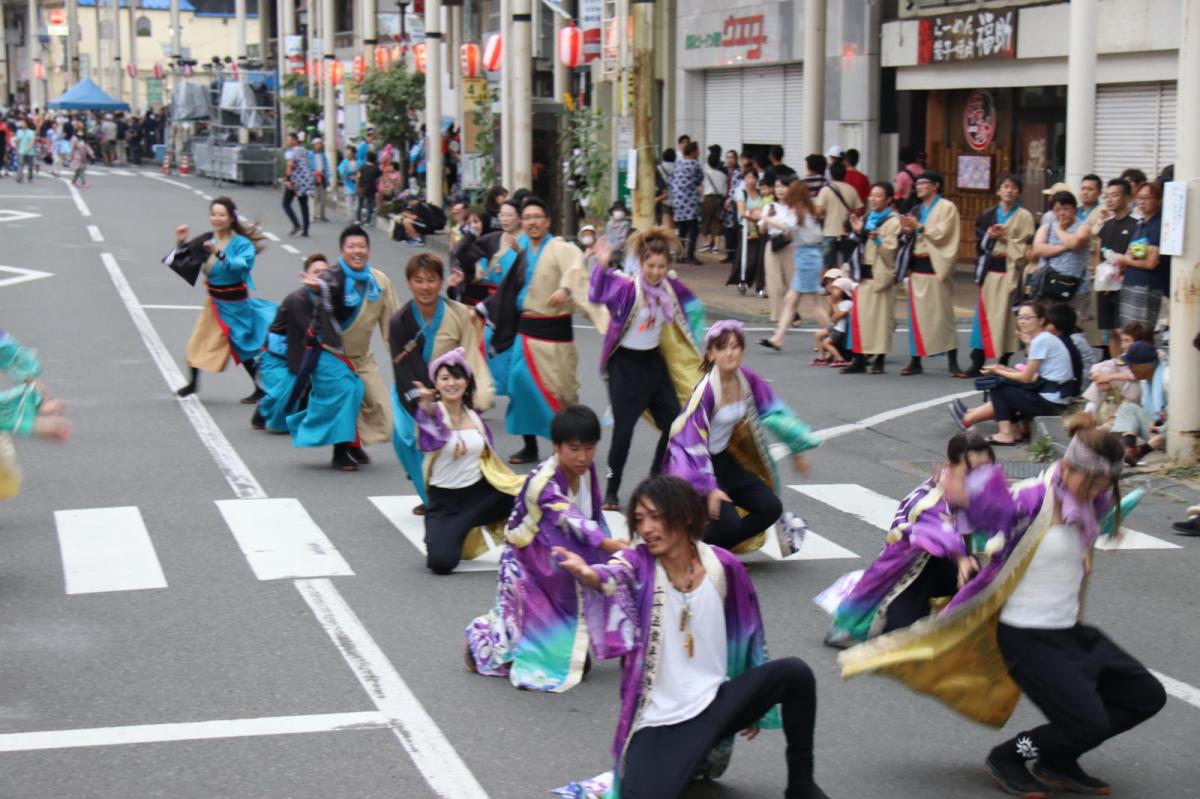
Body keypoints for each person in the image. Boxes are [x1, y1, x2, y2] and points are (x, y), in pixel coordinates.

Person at [840, 415, 1165, 799]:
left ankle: (1058, 759)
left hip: (1068, 632)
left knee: (1145, 695)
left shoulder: (1088, 504)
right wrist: (966, 496)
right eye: (1089, 481)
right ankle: (1008, 756)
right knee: (1087, 722)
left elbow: (1094, 517)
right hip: (1026, 636)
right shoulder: (1030, 500)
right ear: (1066, 465)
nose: (1094, 490)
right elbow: (976, 515)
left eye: (1102, 485)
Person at [552, 475, 828, 799]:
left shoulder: (722, 567)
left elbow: (747, 634)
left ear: (683, 516)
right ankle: (680, 762)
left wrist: (755, 704)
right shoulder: (638, 564)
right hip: (661, 721)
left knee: (795, 673)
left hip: (715, 703)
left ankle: (802, 784)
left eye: (656, 516)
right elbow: (614, 574)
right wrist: (591, 575)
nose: (647, 529)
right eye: (640, 520)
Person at [465, 405, 628, 692]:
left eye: (589, 448)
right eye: (574, 449)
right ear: (556, 446)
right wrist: (606, 543)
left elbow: (592, 517)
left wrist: (609, 552)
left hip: (559, 553)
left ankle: (624, 643)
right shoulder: (543, 482)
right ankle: (483, 642)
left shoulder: (586, 471)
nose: (582, 457)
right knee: (550, 651)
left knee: (613, 576)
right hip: (528, 564)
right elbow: (569, 515)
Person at [823, 432, 996, 648]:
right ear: (949, 469)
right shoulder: (927, 501)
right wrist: (961, 557)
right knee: (903, 638)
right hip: (906, 579)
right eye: (969, 476)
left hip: (952, 576)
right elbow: (937, 532)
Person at [664, 320, 819, 555]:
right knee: (729, 523)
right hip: (698, 469)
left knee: (770, 507)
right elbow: (689, 444)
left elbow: (775, 412)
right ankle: (692, 552)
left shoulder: (747, 379)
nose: (730, 353)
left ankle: (712, 553)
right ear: (711, 355)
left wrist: (797, 449)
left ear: (742, 350)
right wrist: (710, 488)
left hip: (726, 462)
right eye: (722, 347)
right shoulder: (706, 392)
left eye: (735, 346)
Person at [588, 228, 704, 510]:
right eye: (650, 266)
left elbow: (695, 308)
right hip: (624, 367)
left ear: (668, 267)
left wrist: (701, 344)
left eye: (662, 266)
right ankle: (612, 490)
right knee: (623, 432)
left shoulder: (670, 289)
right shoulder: (627, 288)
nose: (655, 271)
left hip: (653, 363)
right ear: (641, 264)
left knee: (674, 426)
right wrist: (602, 265)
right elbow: (596, 294)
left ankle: (655, 478)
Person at [481, 197, 596, 465]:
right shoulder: (520, 247)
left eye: (537, 217)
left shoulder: (560, 248)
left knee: (561, 392)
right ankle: (529, 445)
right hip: (527, 331)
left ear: (547, 221)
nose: (532, 222)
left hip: (555, 333)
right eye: (528, 217)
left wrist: (566, 289)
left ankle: (570, 443)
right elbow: (501, 275)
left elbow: (576, 268)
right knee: (519, 383)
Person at [289, 225, 399, 470]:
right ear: (342, 251)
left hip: (361, 356)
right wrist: (318, 288)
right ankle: (340, 452)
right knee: (350, 389)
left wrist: (401, 357)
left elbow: (392, 322)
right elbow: (329, 288)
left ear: (369, 250)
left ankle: (353, 441)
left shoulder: (379, 282)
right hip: (330, 353)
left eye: (362, 246)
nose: (357, 251)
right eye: (351, 246)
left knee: (380, 406)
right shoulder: (332, 277)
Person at [388, 252, 494, 506]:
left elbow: (469, 354)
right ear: (410, 283)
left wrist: (466, 392)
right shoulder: (399, 321)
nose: (425, 287)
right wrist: (423, 405)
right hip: (410, 391)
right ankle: (429, 496)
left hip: (452, 390)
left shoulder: (458, 314)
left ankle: (447, 498)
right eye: (419, 280)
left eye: (431, 280)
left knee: (457, 442)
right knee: (405, 438)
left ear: (441, 281)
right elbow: (402, 369)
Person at [414, 348, 522, 574]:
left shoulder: (474, 416)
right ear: (436, 384)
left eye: (457, 377)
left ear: (466, 381)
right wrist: (426, 406)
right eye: (444, 378)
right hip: (445, 502)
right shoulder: (433, 414)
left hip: (479, 494)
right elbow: (428, 440)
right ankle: (456, 531)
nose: (451, 383)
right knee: (441, 563)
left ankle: (525, 547)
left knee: (530, 493)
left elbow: (488, 457)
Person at [171, 197, 275, 401]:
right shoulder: (206, 239)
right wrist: (181, 241)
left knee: (242, 346)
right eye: (213, 214)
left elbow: (242, 266)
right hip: (213, 302)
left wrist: (219, 253)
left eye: (221, 214)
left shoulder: (241, 244)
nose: (216, 219)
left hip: (236, 304)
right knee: (197, 341)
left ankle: (260, 387)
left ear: (231, 217)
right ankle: (193, 383)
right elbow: (184, 261)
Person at [952, 302, 1074, 445]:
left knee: (999, 386)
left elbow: (1026, 377)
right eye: (1020, 317)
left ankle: (1006, 433)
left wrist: (999, 371)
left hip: (1051, 403)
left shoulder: (1042, 340)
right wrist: (1004, 370)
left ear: (1041, 320)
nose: (1022, 321)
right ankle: (1013, 432)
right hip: (1054, 399)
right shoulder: (1043, 339)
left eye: (1028, 318)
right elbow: (1034, 376)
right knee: (1004, 382)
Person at [253, 253, 332, 433]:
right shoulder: (299, 300)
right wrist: (302, 376)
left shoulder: (330, 296)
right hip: (278, 356)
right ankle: (265, 409)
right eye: (316, 272)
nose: (321, 275)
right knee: (288, 390)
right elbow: (310, 336)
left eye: (325, 272)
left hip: (304, 350)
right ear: (307, 276)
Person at [967, 175, 1036, 376]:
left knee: (1006, 318)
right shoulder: (989, 214)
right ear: (998, 191)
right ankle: (977, 359)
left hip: (1010, 271)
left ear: (1019, 192)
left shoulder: (1025, 216)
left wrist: (1005, 239)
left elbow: (1027, 247)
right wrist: (989, 236)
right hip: (991, 269)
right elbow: (979, 242)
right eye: (1005, 186)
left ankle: (1004, 359)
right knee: (983, 316)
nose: (1009, 191)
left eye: (1014, 188)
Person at [898, 171, 965, 377]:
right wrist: (907, 231)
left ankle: (953, 362)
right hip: (918, 268)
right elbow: (909, 237)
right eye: (917, 184)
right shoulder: (917, 209)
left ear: (936, 185)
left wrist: (919, 226)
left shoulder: (947, 207)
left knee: (942, 316)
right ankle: (915, 360)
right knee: (917, 318)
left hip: (935, 267)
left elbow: (944, 233)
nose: (918, 186)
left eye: (923, 183)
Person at [759, 182, 830, 353]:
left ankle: (835, 333)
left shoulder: (799, 213)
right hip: (808, 257)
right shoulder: (809, 212)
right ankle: (778, 338)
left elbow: (784, 226)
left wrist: (764, 218)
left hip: (806, 259)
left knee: (813, 303)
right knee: (791, 300)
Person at [840, 182, 902, 374]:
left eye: (878, 196)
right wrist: (857, 232)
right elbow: (855, 244)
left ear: (889, 199)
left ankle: (879, 359)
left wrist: (876, 239)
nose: (873, 199)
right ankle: (858, 358)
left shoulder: (894, 221)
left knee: (881, 321)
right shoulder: (867, 218)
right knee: (860, 319)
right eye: (872, 196)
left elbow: (891, 250)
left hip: (880, 276)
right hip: (863, 275)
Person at [1029, 190, 1093, 331]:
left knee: (1073, 330)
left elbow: (1076, 242)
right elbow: (1038, 249)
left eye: (1066, 208)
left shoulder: (1084, 227)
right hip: (1049, 287)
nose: (1061, 213)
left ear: (1074, 209)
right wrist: (1064, 246)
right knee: (1048, 328)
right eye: (1057, 210)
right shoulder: (1046, 227)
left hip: (1077, 288)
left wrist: (1059, 231)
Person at [1114, 181, 1169, 332]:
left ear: (1158, 200)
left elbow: (1151, 262)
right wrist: (1124, 262)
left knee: (1141, 333)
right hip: (1131, 282)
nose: (1142, 202)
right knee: (1128, 332)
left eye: (1147, 198)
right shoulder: (1140, 223)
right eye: (1139, 198)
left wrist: (1126, 260)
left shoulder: (1157, 225)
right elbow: (1131, 252)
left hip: (1147, 286)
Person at [1094, 178, 1138, 357]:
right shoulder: (1106, 225)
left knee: (1124, 331)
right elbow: (1098, 253)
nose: (1110, 199)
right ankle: (1115, 367)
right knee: (1110, 331)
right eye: (1107, 196)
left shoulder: (1135, 225)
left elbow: (1133, 256)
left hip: (1124, 285)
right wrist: (1101, 280)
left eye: (1115, 195)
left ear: (1127, 198)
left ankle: (1128, 365)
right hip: (1105, 285)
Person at [759, 175, 799, 323]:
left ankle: (793, 312)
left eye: (783, 186)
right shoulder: (769, 207)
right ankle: (777, 315)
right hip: (773, 244)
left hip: (789, 245)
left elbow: (793, 228)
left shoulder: (794, 208)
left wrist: (770, 220)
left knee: (791, 280)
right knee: (773, 281)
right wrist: (765, 218)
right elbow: (762, 230)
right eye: (777, 187)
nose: (780, 190)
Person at [813, 161, 864, 269]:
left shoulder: (825, 190)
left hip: (829, 233)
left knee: (826, 265)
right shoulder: (851, 190)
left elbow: (818, 212)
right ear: (845, 174)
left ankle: (826, 285)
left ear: (830, 174)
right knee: (845, 266)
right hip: (846, 234)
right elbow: (859, 210)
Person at [727, 169, 768, 296]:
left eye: (753, 177)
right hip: (746, 230)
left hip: (760, 228)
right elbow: (741, 212)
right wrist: (754, 215)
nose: (750, 180)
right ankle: (742, 279)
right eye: (748, 177)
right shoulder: (742, 194)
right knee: (748, 257)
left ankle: (760, 286)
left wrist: (755, 213)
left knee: (760, 257)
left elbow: (763, 209)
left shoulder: (761, 194)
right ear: (744, 179)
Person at [669, 142, 704, 264]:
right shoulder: (695, 164)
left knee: (682, 228)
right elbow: (700, 179)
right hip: (689, 201)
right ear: (693, 151)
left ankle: (679, 254)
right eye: (697, 150)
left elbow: (671, 179)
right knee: (693, 228)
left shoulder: (678, 164)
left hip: (677, 200)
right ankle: (690, 255)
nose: (699, 152)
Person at [812, 277, 855, 366]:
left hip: (840, 330)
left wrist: (833, 304)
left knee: (826, 343)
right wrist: (832, 305)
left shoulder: (847, 303)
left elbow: (837, 317)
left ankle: (840, 359)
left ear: (844, 291)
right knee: (818, 335)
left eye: (836, 289)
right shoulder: (838, 302)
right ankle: (821, 357)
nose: (832, 291)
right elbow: (831, 317)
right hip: (835, 327)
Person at [282, 133, 314, 237]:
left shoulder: (291, 152)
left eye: (289, 139)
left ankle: (296, 224)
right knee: (303, 204)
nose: (287, 142)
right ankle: (306, 230)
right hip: (305, 180)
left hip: (295, 180)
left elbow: (290, 165)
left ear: (295, 140)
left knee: (286, 203)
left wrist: (288, 179)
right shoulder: (304, 150)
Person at [699, 145, 728, 254]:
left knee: (705, 220)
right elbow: (725, 190)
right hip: (719, 199)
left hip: (708, 198)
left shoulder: (705, 174)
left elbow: (702, 188)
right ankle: (716, 246)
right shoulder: (723, 175)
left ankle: (706, 243)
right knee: (717, 222)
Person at [720, 150, 742, 264]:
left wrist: (730, 200)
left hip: (733, 204)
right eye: (727, 157)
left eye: (732, 158)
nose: (729, 160)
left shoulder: (737, 172)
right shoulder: (726, 171)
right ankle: (729, 254)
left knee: (732, 229)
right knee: (727, 229)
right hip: (726, 203)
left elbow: (736, 188)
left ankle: (733, 254)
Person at [893, 146, 925, 210]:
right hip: (923, 206)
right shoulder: (925, 173)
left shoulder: (901, 175)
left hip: (906, 207)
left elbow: (897, 193)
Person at [356, 151, 383, 227]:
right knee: (369, 204)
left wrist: (358, 186)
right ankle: (367, 221)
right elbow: (379, 179)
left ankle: (358, 220)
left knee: (360, 204)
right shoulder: (376, 169)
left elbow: (358, 177)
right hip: (371, 188)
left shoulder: (362, 167)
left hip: (362, 187)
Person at [309, 138, 332, 222]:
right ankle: (312, 215)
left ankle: (322, 215)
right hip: (313, 177)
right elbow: (308, 167)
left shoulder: (323, 155)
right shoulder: (310, 155)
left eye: (320, 144)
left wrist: (328, 176)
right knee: (313, 198)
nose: (319, 146)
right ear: (314, 145)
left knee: (323, 198)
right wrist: (312, 173)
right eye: (317, 144)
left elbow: (326, 166)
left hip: (322, 177)